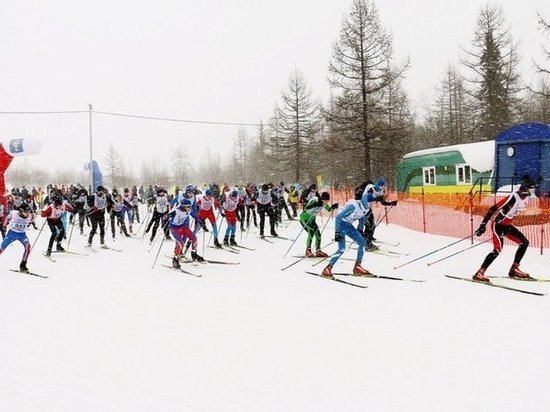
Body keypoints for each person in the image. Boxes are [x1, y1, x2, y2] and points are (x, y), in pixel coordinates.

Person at [472, 180, 537, 282]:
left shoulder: (526, 198)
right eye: (531, 189)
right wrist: (483, 225)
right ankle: (479, 273)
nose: (533, 191)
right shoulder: (513, 197)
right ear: (524, 189)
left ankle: (514, 269)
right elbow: (493, 208)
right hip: (498, 225)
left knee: (524, 242)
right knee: (497, 250)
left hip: (507, 226)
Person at [321, 191, 371, 278]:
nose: (370, 204)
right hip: (341, 225)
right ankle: (328, 268)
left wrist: (360, 229)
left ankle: (357, 267)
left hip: (348, 226)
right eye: (369, 202)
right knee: (342, 248)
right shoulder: (353, 206)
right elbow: (338, 217)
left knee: (362, 243)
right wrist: (337, 232)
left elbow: (362, 217)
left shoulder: (366, 207)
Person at [358, 179, 397, 250]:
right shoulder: (371, 189)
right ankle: (366, 243)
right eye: (381, 186)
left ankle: (368, 238)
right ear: (377, 185)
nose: (382, 187)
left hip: (368, 208)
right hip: (362, 208)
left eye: (383, 186)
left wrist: (391, 203)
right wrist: (376, 199)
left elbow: (382, 202)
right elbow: (368, 198)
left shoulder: (381, 191)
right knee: (368, 225)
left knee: (372, 225)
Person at [168, 198, 205, 268]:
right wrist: (168, 216)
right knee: (180, 243)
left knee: (194, 238)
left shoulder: (189, 210)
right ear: (183, 206)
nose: (189, 208)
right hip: (174, 228)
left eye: (190, 206)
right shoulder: (176, 210)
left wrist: (200, 221)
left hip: (182, 227)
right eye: (187, 207)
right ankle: (175, 260)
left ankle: (194, 253)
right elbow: (165, 217)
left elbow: (195, 215)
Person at [299, 191, 338, 257]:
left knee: (318, 235)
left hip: (312, 220)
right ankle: (308, 250)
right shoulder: (315, 200)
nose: (326, 202)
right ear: (322, 198)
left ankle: (318, 250)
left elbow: (329, 209)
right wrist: (315, 204)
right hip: (305, 218)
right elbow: (307, 207)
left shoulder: (323, 203)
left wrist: (333, 207)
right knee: (311, 232)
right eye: (325, 201)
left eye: (327, 201)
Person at [0, 203, 35, 272]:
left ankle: (23, 265)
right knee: (1, 249)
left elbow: (35, 217)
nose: (28, 213)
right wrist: (4, 225)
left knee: (28, 247)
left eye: (28, 211)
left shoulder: (31, 215)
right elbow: (7, 217)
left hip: (22, 234)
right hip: (12, 234)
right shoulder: (14, 214)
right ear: (21, 211)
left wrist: (30, 223)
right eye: (26, 212)